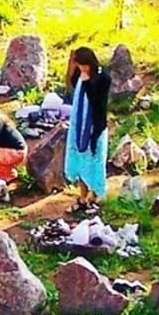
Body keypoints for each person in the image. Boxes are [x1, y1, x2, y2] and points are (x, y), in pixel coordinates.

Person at [64, 46, 110, 211]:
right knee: (80, 160)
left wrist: (87, 82)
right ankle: (82, 197)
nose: (81, 68)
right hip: (79, 125)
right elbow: (71, 83)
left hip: (95, 126)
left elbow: (98, 102)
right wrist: (72, 64)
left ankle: (94, 196)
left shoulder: (103, 78)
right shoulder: (79, 74)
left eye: (84, 65)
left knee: (94, 161)